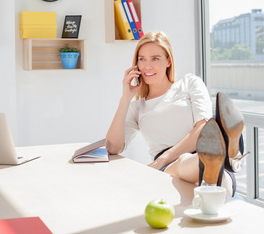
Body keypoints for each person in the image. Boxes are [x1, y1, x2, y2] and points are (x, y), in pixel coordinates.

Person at [105, 31, 246, 196]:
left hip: (195, 156)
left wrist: (160, 161)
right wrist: (125, 98)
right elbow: (112, 147)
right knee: (185, 162)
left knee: (223, 181)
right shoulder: (136, 107)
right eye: (142, 59)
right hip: (171, 168)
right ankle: (227, 151)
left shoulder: (189, 83)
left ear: (168, 61)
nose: (147, 66)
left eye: (155, 58)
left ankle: (222, 156)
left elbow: (203, 130)